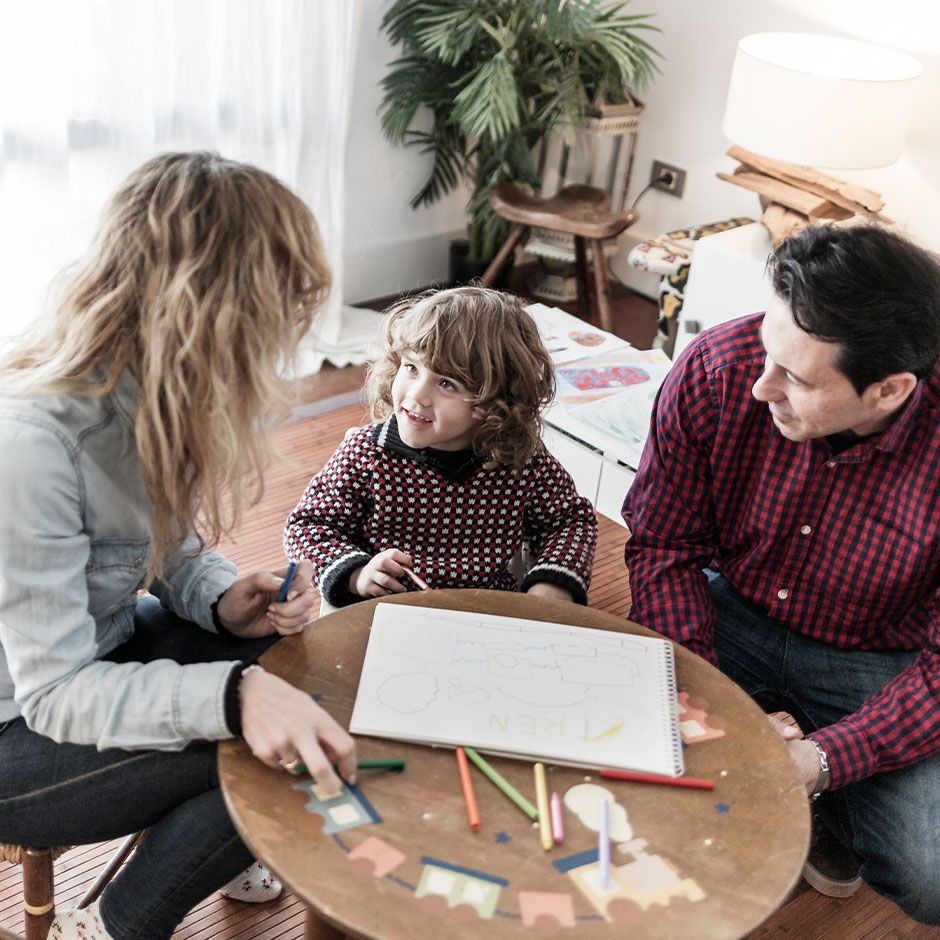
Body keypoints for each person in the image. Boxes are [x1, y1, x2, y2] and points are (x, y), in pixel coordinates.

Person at [0, 151, 358, 940]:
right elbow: (55, 694)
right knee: (272, 740)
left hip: (98, 657)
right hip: (16, 730)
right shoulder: (32, 446)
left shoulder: (152, 393)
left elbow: (161, 548)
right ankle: (116, 929)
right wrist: (233, 697)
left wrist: (226, 602)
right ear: (211, 317)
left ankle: (205, 849)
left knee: (301, 682)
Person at [622, 223, 940, 925]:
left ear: (889, 390)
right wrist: (696, 695)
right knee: (622, 768)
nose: (762, 384)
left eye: (795, 377)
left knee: (932, 876)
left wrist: (824, 760)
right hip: (728, 612)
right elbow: (664, 547)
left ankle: (827, 803)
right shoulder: (720, 366)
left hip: (876, 654)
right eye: (769, 349)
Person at [284, 286, 598, 607]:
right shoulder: (366, 453)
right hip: (385, 611)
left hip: (484, 613)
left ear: (496, 401)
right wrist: (357, 574)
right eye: (411, 368)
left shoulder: (521, 458)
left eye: (447, 384)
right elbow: (308, 526)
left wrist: (551, 582)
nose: (417, 395)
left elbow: (570, 522)